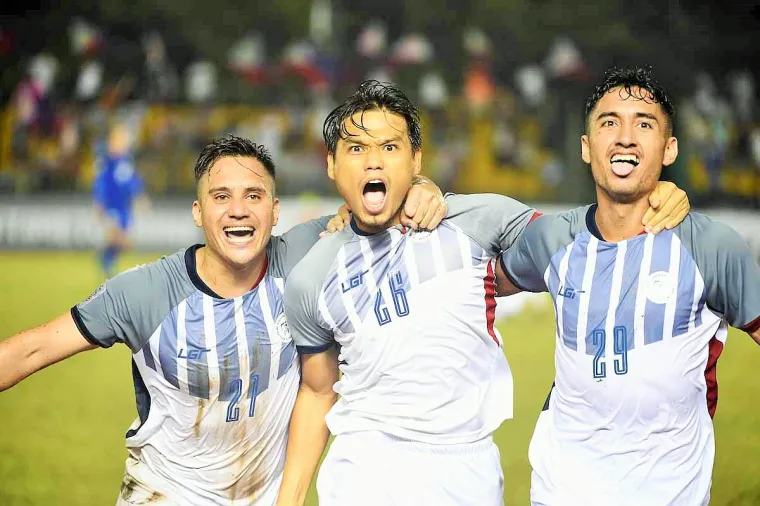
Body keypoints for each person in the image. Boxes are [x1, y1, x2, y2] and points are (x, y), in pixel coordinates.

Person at [274, 80, 691, 506]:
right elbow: (317, 390)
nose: (373, 163)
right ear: (331, 164)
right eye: (356, 149)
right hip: (365, 463)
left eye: (390, 147)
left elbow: (587, 237)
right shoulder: (311, 274)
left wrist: (651, 192)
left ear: (416, 159)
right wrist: (288, 499)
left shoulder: (477, 219)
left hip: (468, 467)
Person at [0, 135, 448, 506]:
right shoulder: (144, 292)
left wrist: (422, 185)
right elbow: (31, 349)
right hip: (162, 495)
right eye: (221, 197)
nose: (238, 210)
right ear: (198, 213)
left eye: (254, 196)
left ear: (275, 212)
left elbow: (378, 199)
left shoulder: (307, 259)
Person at [496, 67, 760, 506]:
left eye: (644, 123)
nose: (625, 137)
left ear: (669, 148)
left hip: (671, 493)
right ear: (586, 147)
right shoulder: (551, 239)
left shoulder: (710, 247)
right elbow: (478, 281)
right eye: (609, 122)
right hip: (561, 490)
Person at [92, 121, 147, 277]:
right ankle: (107, 266)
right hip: (112, 206)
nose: (124, 143)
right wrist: (99, 202)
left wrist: (140, 197)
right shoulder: (106, 161)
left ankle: (105, 259)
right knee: (117, 238)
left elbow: (132, 182)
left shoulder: (126, 161)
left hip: (124, 208)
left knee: (125, 244)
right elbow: (100, 182)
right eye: (120, 140)